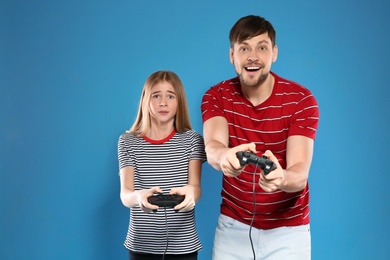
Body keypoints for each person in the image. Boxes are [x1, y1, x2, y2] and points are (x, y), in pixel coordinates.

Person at [201, 15, 320, 260]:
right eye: (244, 48)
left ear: (274, 53)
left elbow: (299, 173)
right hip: (233, 228)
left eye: (262, 48)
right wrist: (225, 156)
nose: (252, 56)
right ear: (232, 55)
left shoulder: (301, 100)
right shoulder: (216, 96)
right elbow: (213, 146)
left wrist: (282, 178)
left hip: (289, 231)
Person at [118, 70, 206, 260]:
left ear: (179, 101)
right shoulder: (127, 141)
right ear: (146, 100)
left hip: (183, 245)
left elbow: (196, 187)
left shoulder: (193, 141)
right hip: (141, 245)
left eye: (170, 96)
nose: (163, 102)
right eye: (156, 95)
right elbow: (125, 194)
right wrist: (139, 197)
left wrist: (191, 193)